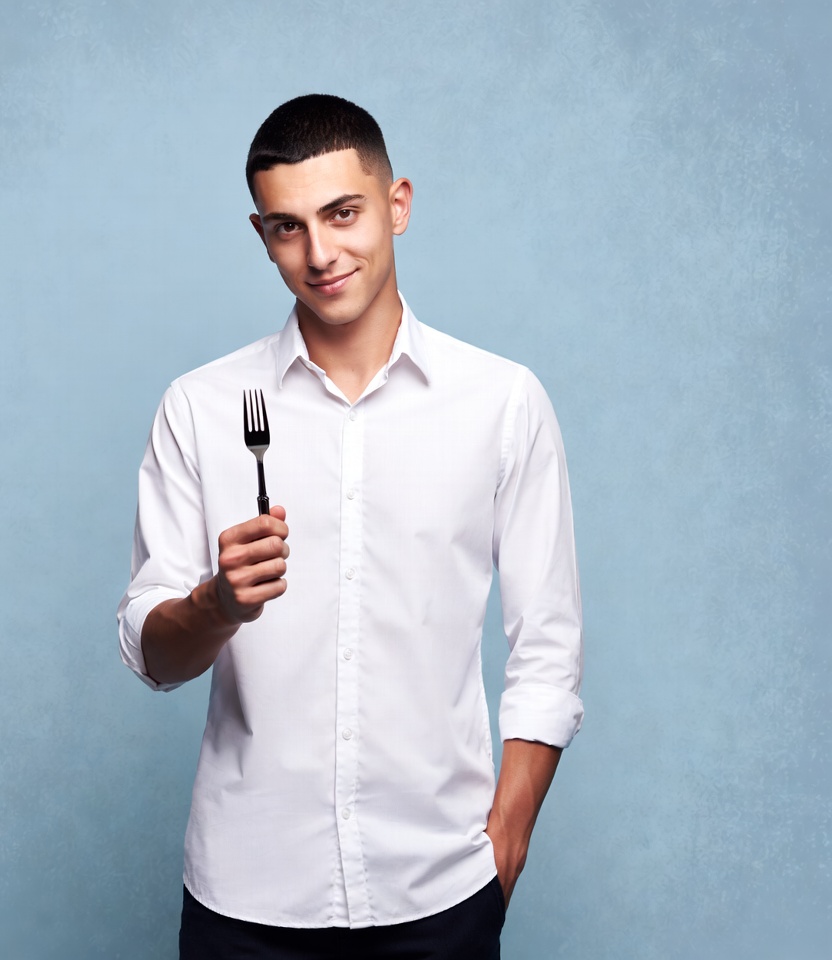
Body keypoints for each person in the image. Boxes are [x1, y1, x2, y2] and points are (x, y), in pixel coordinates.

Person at [117, 93, 583, 959]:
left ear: (397, 204)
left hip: (441, 892)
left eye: (343, 213)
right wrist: (219, 603)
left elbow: (548, 646)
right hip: (245, 902)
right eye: (289, 228)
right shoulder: (201, 409)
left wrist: (506, 842)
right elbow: (154, 656)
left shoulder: (502, 404)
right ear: (262, 236)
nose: (321, 254)